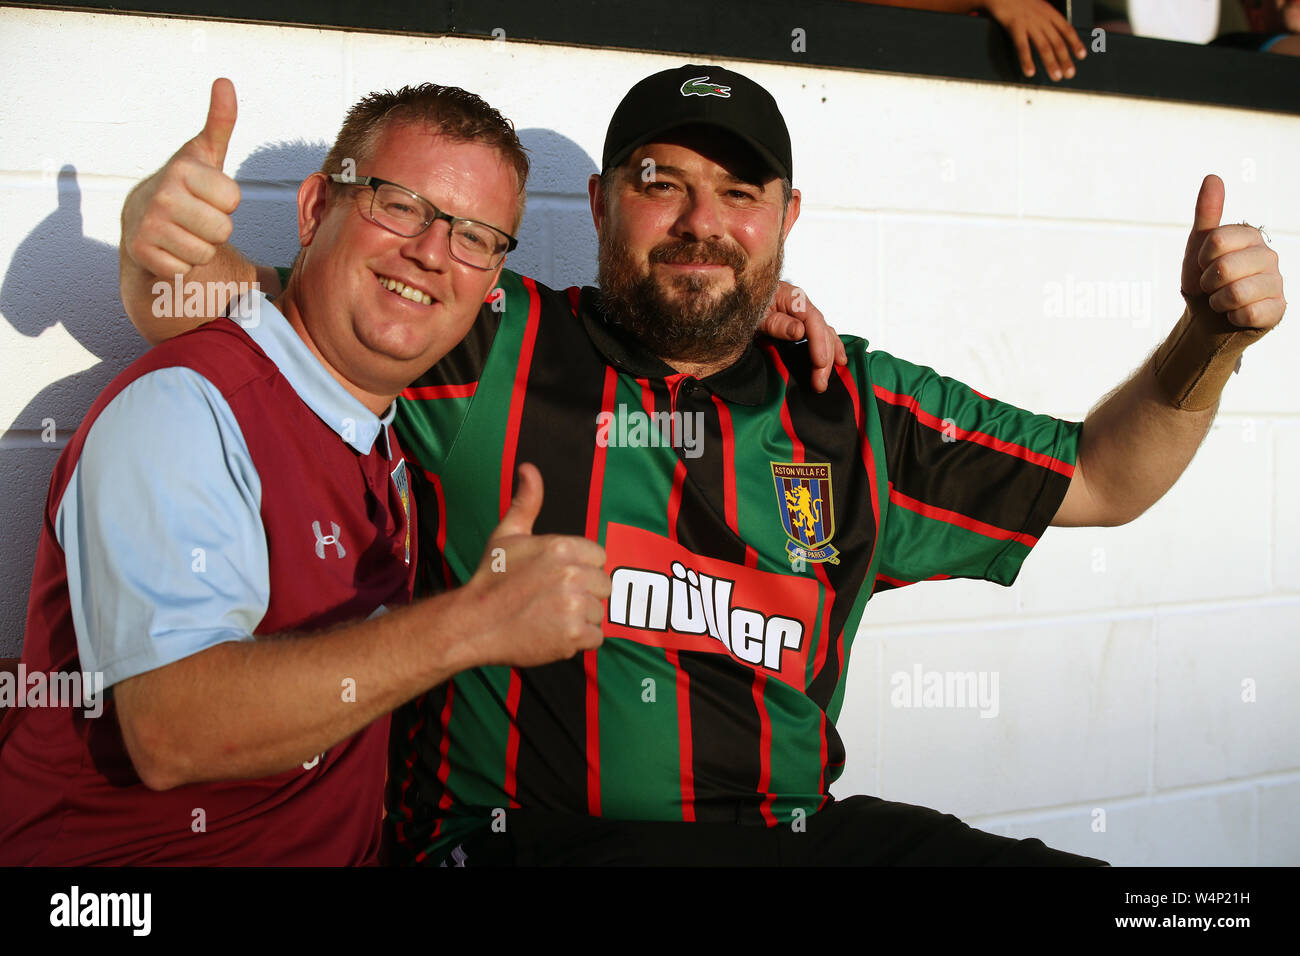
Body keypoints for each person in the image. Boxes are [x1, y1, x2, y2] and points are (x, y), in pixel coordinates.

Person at [119, 64, 1284, 865]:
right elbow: (254, 316)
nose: (699, 220)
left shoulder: (854, 407)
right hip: (525, 844)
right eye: (660, 181)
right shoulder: (483, 336)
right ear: (601, 203)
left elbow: (1107, 477)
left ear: (785, 218)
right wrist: (160, 245)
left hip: (789, 840)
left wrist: (1210, 338)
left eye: (737, 192)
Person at [0, 81, 615, 865]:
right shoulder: (188, 408)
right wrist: (471, 624)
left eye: (474, 235)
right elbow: (170, 731)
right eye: (398, 204)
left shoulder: (379, 424)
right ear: (315, 208)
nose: (431, 251)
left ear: (492, 281)